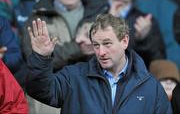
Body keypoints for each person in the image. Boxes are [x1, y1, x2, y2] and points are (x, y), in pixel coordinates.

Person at [26, 14, 172, 114]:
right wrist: (41, 57)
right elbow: (39, 90)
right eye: (96, 45)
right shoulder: (74, 77)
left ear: (125, 41)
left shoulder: (150, 86)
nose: (101, 52)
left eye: (107, 44)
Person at [21, 0, 107, 71]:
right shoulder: (38, 19)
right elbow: (34, 61)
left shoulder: (101, 14)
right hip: (55, 85)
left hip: (95, 83)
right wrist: (78, 47)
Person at [104, 0, 166, 68]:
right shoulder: (93, 12)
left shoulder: (147, 21)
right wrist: (107, 25)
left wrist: (143, 40)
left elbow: (159, 64)